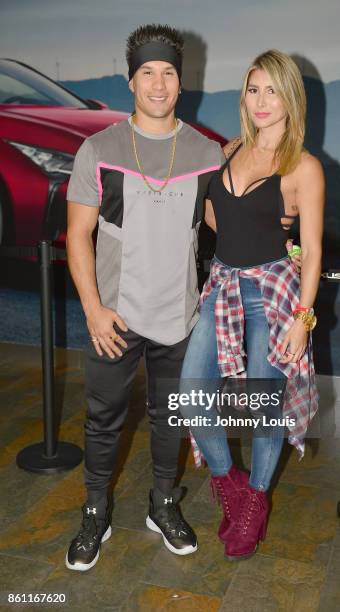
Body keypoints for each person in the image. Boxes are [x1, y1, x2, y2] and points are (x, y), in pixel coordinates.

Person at [64, 23, 229, 571]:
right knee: (103, 417)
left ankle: (163, 504)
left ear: (182, 82)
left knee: (168, 416)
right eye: (148, 73)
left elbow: (222, 224)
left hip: (179, 316)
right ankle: (95, 510)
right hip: (114, 315)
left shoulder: (207, 152)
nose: (158, 84)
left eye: (168, 74)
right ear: (131, 80)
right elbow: (77, 236)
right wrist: (92, 309)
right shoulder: (99, 149)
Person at [179, 49, 324, 561]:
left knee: (264, 410)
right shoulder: (231, 149)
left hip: (271, 296)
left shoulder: (302, 166)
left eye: (272, 91)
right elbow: (220, 217)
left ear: (291, 100)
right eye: (253, 89)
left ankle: (255, 500)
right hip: (221, 287)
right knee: (192, 396)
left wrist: (302, 321)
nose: (261, 101)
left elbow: (313, 252)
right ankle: (230, 484)